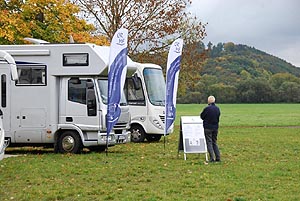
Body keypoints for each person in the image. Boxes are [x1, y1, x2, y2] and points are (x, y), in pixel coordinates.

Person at [200, 95, 221, 162]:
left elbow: (202, 116)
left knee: (209, 142)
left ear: (208, 101)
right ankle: (218, 157)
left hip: (208, 127)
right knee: (214, 142)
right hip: (215, 127)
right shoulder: (217, 108)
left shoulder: (207, 109)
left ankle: (212, 158)